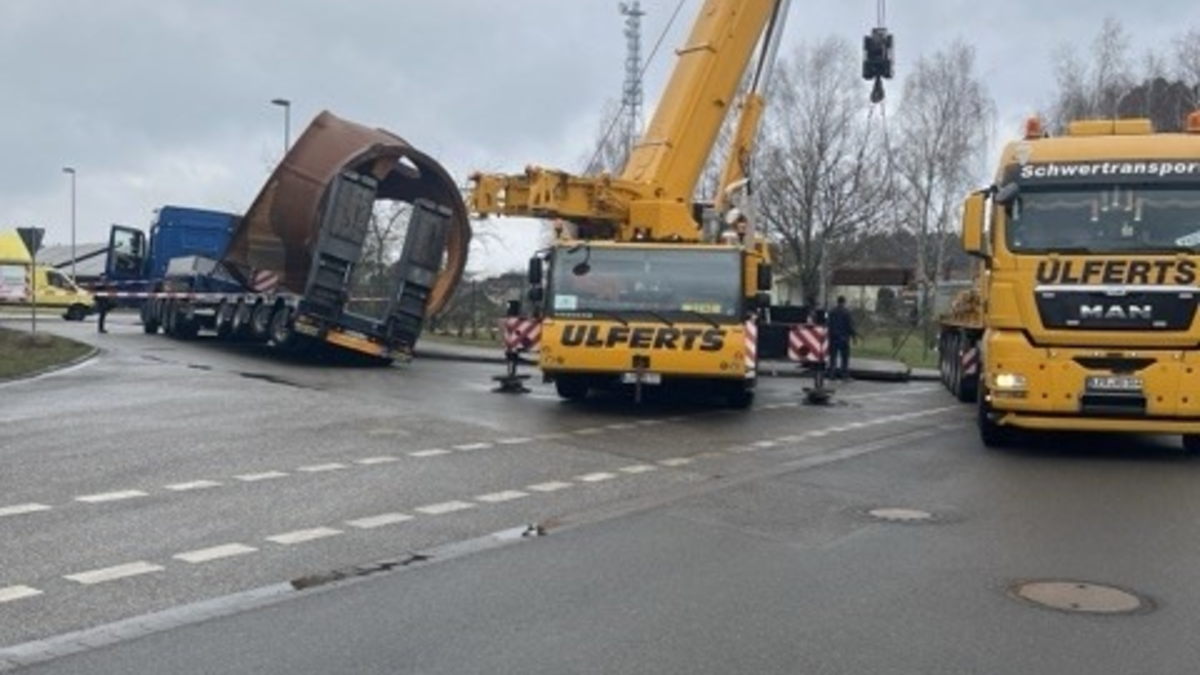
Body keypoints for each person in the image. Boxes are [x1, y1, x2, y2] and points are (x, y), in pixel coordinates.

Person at [826, 295, 857, 380]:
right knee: (844, 358)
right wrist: (854, 337)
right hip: (843, 338)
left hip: (833, 338)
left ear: (837, 301)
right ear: (844, 302)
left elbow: (828, 324)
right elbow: (850, 326)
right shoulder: (847, 312)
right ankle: (844, 375)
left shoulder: (831, 312)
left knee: (833, 357)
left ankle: (832, 375)